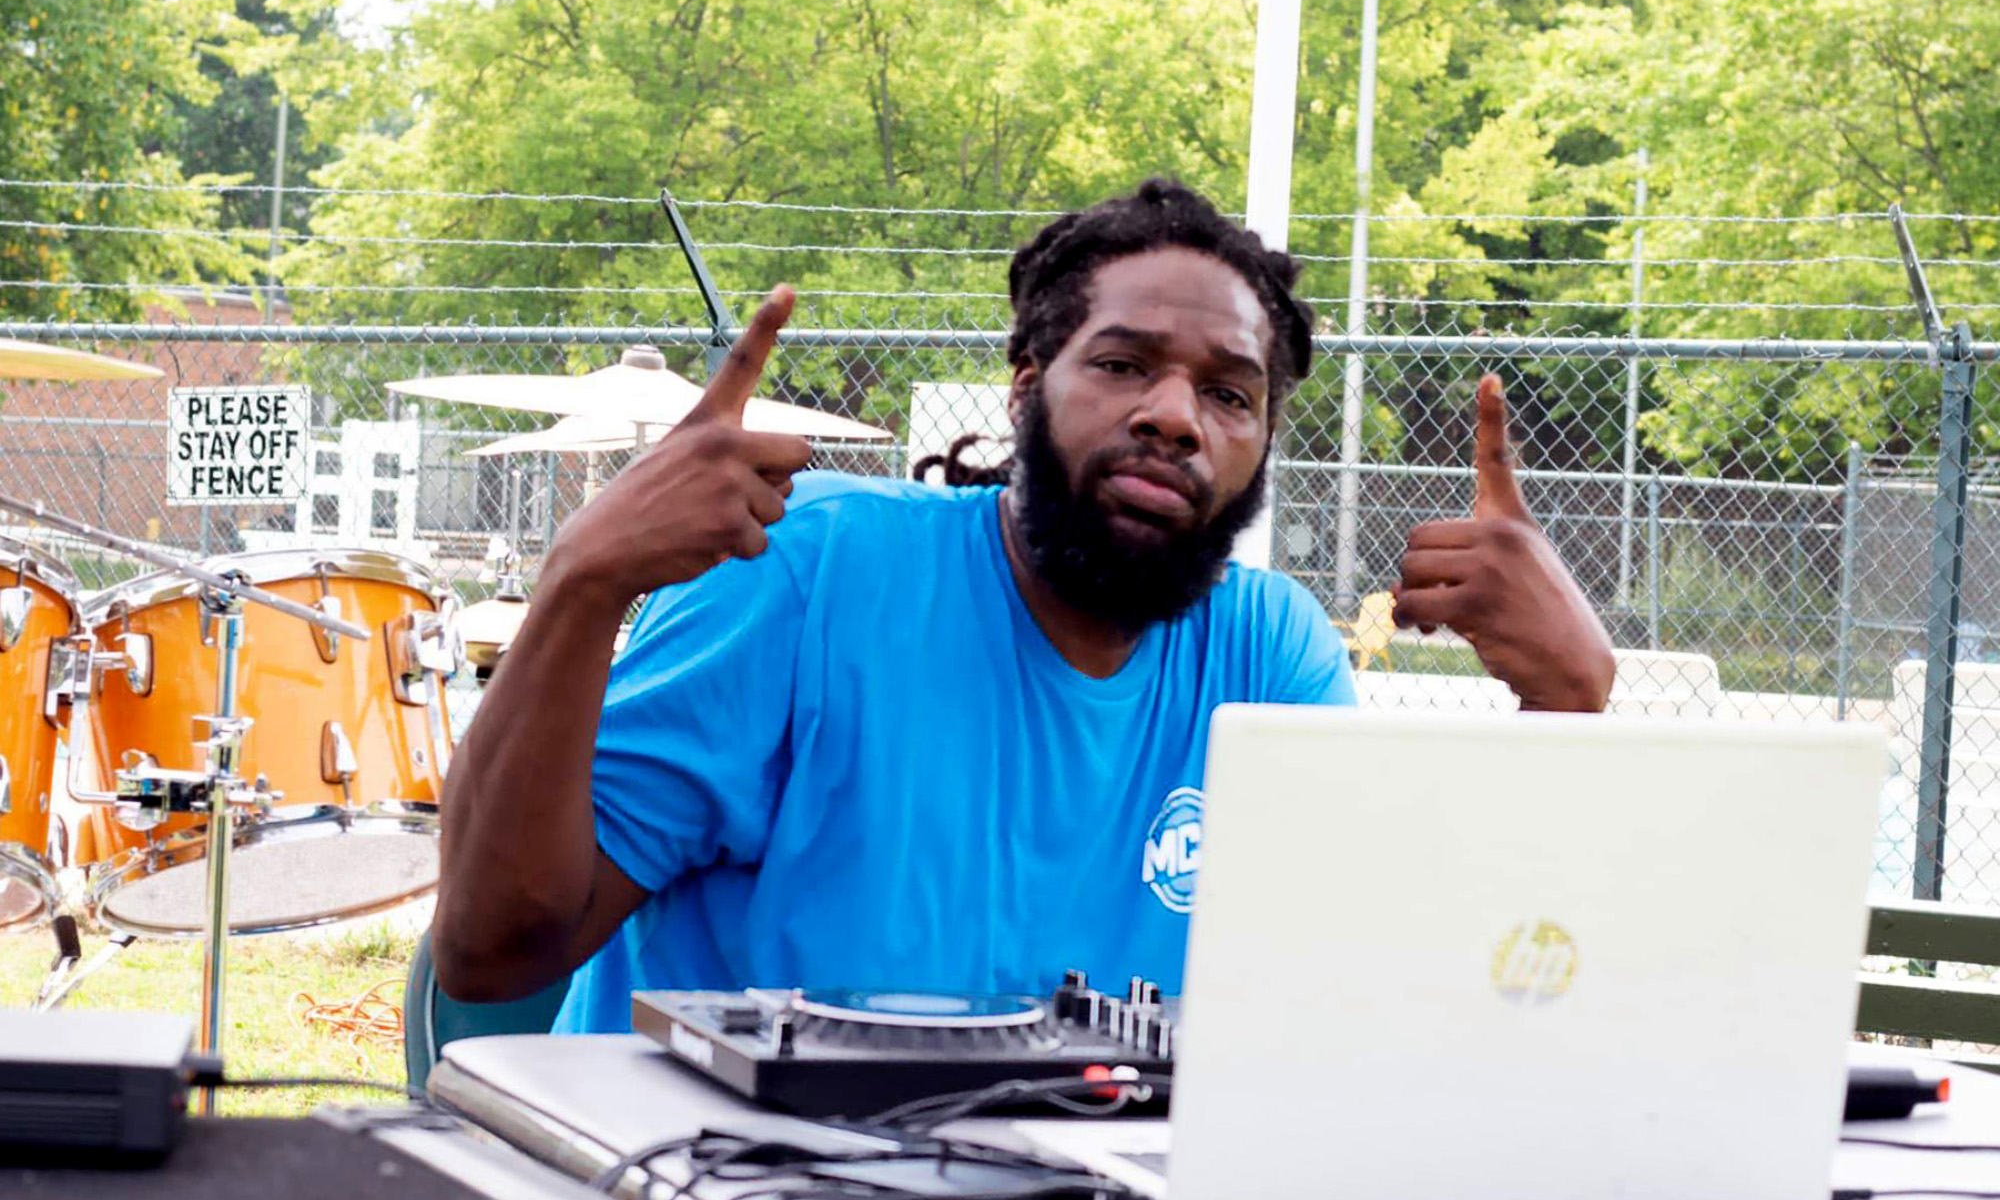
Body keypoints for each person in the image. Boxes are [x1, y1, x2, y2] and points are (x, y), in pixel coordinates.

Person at [434, 180, 1615, 1027]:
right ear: (1024, 391)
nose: (1173, 414)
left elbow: (1407, 1008)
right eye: (1119, 364)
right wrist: (581, 582)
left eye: (1229, 393)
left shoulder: (1269, 653)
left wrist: (1570, 709)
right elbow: (494, 955)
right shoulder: (806, 576)